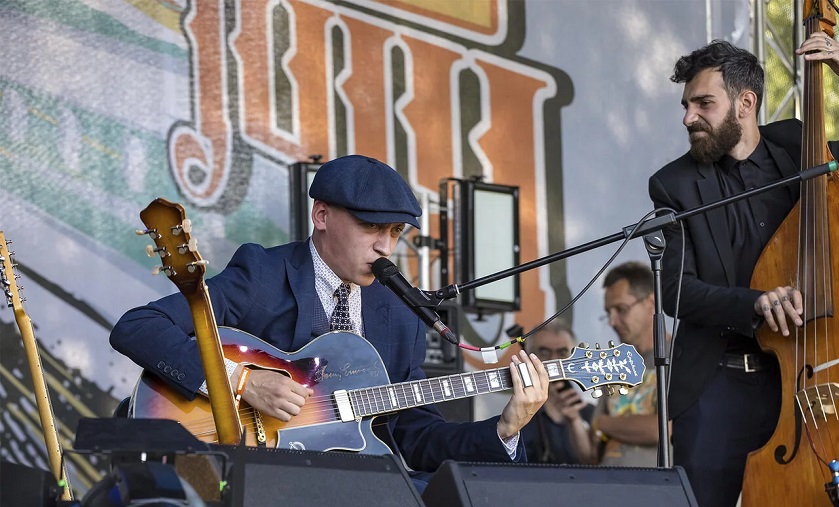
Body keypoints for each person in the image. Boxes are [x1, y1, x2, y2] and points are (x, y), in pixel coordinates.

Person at [649, 38, 839, 507]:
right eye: (687, 106)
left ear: (746, 103)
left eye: (702, 104)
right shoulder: (674, 185)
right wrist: (753, 302)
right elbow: (675, 291)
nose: (689, 117)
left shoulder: (801, 148)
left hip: (809, 385)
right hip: (721, 386)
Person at [111, 155, 549, 480]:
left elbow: (415, 436)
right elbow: (137, 328)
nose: (385, 247)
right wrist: (242, 382)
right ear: (321, 215)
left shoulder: (401, 313)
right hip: (243, 478)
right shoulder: (262, 275)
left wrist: (505, 429)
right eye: (372, 228)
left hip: (346, 494)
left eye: (395, 233)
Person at [587, 261, 661, 467]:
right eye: (608, 312)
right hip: (605, 485)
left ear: (651, 304)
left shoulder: (679, 357)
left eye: (621, 309)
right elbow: (592, 448)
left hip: (654, 489)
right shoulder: (611, 364)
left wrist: (603, 423)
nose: (612, 321)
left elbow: (661, 429)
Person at [519, 320, 596, 464]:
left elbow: (595, 464)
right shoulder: (519, 418)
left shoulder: (591, 414)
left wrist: (575, 421)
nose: (554, 360)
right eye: (544, 352)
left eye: (562, 352)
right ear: (528, 358)